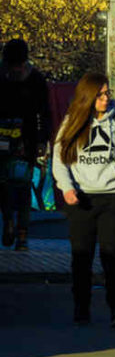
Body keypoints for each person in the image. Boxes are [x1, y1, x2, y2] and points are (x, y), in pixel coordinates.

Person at [51, 72, 115, 327]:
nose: (106, 99)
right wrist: (68, 189)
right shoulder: (72, 122)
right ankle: (81, 308)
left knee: (111, 253)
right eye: (100, 94)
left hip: (112, 196)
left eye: (107, 94)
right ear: (88, 96)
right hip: (82, 198)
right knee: (82, 256)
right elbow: (59, 162)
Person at [0, 38, 52, 251]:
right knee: (3, 185)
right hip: (2, 141)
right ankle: (9, 221)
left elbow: (45, 113)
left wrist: (42, 140)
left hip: (27, 142)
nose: (16, 71)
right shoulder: (1, 77)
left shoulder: (37, 80)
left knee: (23, 187)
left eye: (19, 66)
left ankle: (22, 234)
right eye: (13, 67)